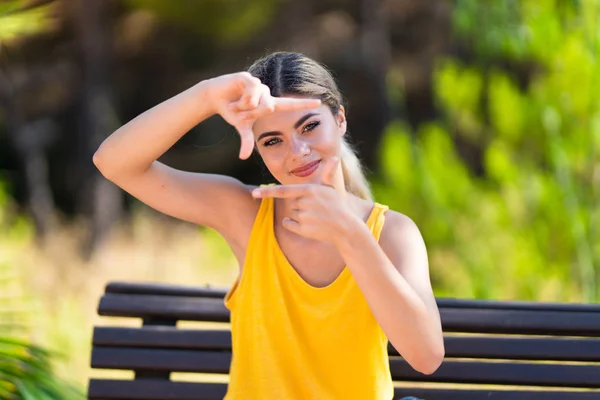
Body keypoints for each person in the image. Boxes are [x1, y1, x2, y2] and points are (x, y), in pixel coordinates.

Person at [93, 51, 444, 400]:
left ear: (339, 119)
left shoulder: (393, 233)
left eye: (309, 126)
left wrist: (349, 234)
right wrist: (205, 96)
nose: (298, 151)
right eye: (272, 140)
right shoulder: (245, 213)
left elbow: (426, 356)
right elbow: (113, 163)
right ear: (258, 149)